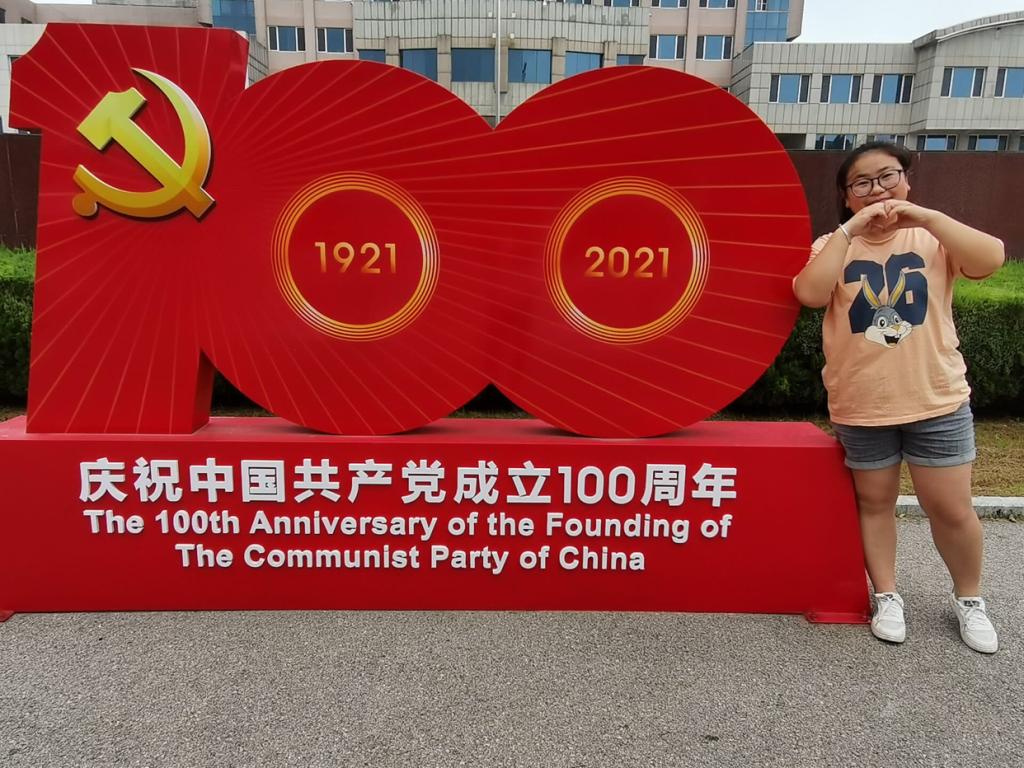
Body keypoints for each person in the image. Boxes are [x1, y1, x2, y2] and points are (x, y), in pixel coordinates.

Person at [793, 141, 1005, 653]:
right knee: (874, 504)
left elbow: (991, 257)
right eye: (861, 183)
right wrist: (848, 232)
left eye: (888, 177)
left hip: (936, 398)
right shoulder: (833, 244)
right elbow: (810, 293)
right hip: (862, 402)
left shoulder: (933, 237)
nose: (877, 191)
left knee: (951, 509)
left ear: (907, 180)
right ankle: (886, 594)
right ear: (846, 196)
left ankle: (969, 598)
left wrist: (927, 216)